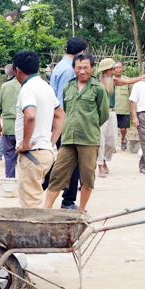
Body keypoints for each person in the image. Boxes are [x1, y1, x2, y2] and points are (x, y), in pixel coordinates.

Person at [43, 53, 109, 212]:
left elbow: (104, 114)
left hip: (88, 139)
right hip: (68, 139)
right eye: (78, 67)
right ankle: (45, 209)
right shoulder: (68, 87)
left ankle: (81, 210)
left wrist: (89, 126)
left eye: (86, 67)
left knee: (87, 176)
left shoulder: (99, 89)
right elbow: (65, 111)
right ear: (74, 68)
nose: (82, 71)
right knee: (58, 173)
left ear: (92, 68)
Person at [13, 50, 65, 207]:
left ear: (17, 70)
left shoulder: (27, 89)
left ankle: (36, 232)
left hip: (32, 154)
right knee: (35, 198)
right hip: (45, 153)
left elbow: (30, 115)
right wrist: (51, 142)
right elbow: (61, 115)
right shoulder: (46, 87)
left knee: (31, 206)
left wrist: (25, 143)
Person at [46, 37, 88, 210]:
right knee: (72, 161)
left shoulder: (60, 66)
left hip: (61, 120)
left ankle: (49, 184)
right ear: (80, 52)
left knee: (67, 160)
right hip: (67, 121)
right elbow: (65, 99)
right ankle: (68, 200)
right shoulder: (70, 71)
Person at [0, 64, 21, 177]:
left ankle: (9, 182)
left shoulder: (5, 86)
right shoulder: (29, 85)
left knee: (9, 157)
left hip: (8, 127)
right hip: (25, 128)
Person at [96, 58, 118, 178]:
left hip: (112, 113)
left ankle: (104, 159)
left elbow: (128, 81)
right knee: (100, 140)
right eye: (112, 69)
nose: (114, 71)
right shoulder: (97, 83)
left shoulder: (113, 82)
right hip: (100, 114)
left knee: (112, 142)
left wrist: (141, 78)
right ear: (105, 71)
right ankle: (100, 166)